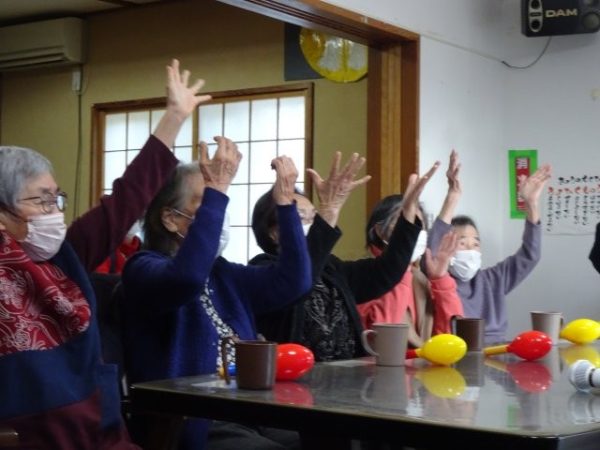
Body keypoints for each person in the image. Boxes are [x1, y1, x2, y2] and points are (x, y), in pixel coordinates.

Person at [0, 59, 210, 449]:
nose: (55, 212)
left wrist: (174, 118)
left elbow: (127, 199)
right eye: (41, 201)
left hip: (100, 431)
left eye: (57, 199)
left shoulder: (66, 254)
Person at [119, 139, 312, 450]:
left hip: (250, 407)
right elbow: (186, 278)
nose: (218, 213)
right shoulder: (141, 268)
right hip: (193, 418)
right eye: (207, 201)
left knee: (335, 439)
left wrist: (286, 208)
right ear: (170, 218)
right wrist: (218, 189)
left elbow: (294, 282)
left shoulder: (223, 272)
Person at [250, 150, 439, 362]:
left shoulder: (331, 267)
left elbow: (385, 272)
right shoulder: (261, 269)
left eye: (314, 217)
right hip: (296, 375)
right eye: (301, 217)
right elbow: (298, 278)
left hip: (345, 375)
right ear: (274, 233)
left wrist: (408, 217)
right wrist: (329, 210)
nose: (312, 224)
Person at [426, 149, 552, 344]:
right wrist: (453, 196)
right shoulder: (439, 282)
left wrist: (531, 204)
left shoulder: (494, 279)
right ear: (446, 247)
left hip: (497, 351)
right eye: (462, 243)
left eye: (476, 244)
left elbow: (530, 255)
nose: (471, 249)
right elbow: (431, 252)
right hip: (456, 350)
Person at [357, 194, 463, 348]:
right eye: (405, 224)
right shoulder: (364, 276)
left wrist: (440, 280)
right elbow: (386, 342)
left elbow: (450, 342)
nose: (414, 231)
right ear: (380, 231)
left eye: (419, 225)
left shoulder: (419, 278)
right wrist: (399, 264)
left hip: (423, 363)